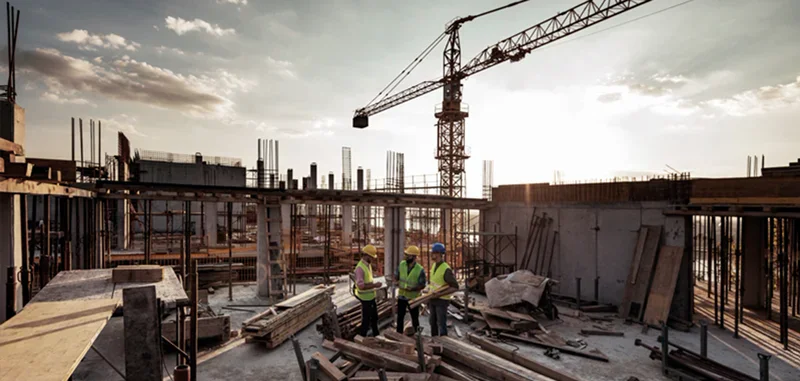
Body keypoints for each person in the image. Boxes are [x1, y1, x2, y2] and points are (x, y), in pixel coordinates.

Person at [428, 242, 459, 337]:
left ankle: (444, 343)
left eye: (433, 252)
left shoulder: (446, 269)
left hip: (441, 300)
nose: (431, 254)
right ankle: (434, 340)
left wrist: (439, 294)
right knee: (432, 322)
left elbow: (454, 287)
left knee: (441, 323)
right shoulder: (434, 266)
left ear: (438, 254)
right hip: (433, 298)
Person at [395, 245, 426, 334]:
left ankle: (417, 336)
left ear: (414, 257)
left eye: (408, 255)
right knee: (400, 317)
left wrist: (413, 289)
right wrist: (396, 281)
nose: (406, 257)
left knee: (415, 318)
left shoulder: (420, 269)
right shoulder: (402, 264)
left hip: (413, 298)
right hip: (402, 296)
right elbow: (396, 276)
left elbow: (422, 285)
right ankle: (398, 335)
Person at [354, 244, 383, 337]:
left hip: (370, 296)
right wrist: (374, 285)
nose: (373, 259)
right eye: (371, 257)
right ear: (367, 255)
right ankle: (362, 337)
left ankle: (376, 335)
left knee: (374, 317)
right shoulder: (360, 268)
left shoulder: (367, 265)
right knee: (366, 319)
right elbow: (361, 286)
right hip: (365, 297)